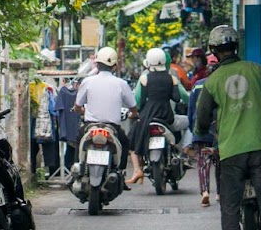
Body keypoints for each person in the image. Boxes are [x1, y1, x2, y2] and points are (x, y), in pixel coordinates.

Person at [195, 24, 261, 230]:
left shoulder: (212, 81)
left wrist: (202, 133)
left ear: (213, 50)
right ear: (236, 47)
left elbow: (202, 118)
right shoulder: (257, 70)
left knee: (230, 206)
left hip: (231, 152)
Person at [74, 46, 140, 182]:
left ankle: (77, 171)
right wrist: (133, 114)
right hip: (112, 128)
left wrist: (80, 111)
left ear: (97, 64)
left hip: (90, 126)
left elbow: (77, 106)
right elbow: (133, 107)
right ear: (114, 66)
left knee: (78, 140)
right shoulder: (121, 83)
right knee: (125, 143)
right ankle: (120, 174)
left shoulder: (87, 81)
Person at [132, 47, 189, 178]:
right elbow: (176, 98)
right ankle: (186, 150)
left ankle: (138, 167)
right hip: (167, 117)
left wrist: (139, 112)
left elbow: (139, 102)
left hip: (148, 117)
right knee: (190, 121)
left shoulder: (144, 79)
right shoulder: (171, 78)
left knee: (134, 138)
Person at [183, 47, 216, 206]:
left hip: (200, 131)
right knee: (221, 162)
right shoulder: (221, 85)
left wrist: (193, 128)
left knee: (203, 163)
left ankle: (205, 191)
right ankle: (221, 193)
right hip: (219, 131)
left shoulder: (197, 85)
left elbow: (190, 111)